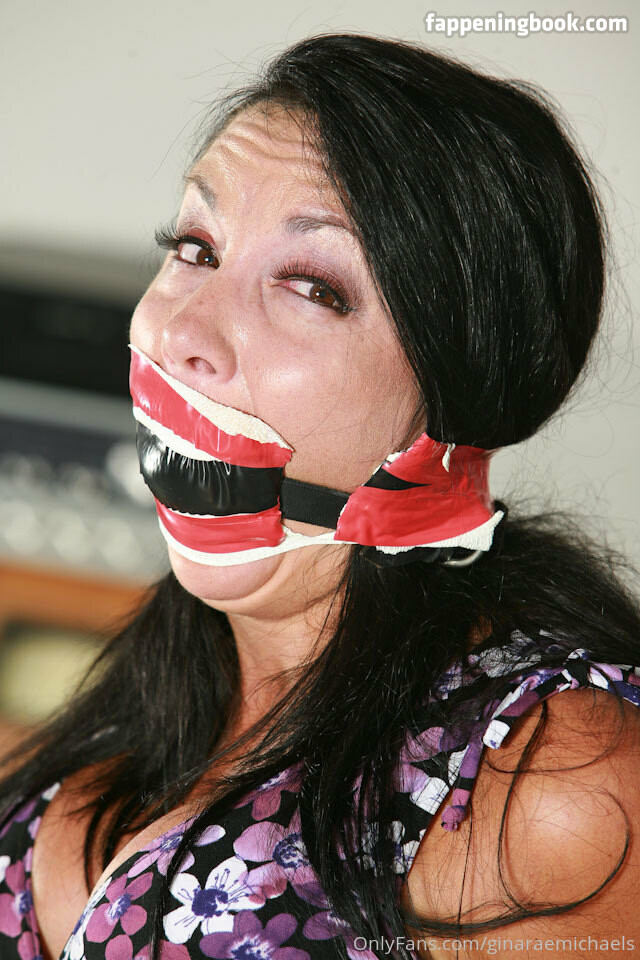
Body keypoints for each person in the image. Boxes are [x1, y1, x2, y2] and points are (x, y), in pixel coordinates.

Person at [1, 32, 639, 960]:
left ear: (461, 392)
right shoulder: (154, 691)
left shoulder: (553, 780)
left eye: (311, 287)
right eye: (195, 247)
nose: (182, 332)